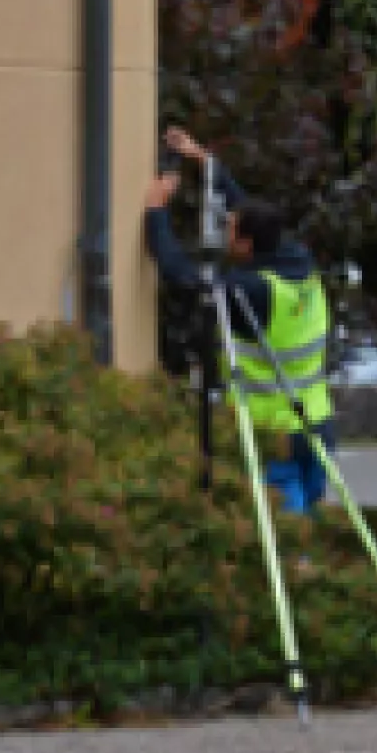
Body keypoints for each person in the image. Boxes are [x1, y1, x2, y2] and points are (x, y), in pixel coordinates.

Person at [144, 127, 338, 513]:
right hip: (317, 423)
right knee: (309, 522)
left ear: (247, 244)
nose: (226, 230)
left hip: (275, 431)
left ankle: (296, 568)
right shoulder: (298, 260)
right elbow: (248, 211)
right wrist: (205, 162)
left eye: (231, 230)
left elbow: (182, 275)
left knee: (287, 532)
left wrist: (156, 213)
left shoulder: (252, 292)